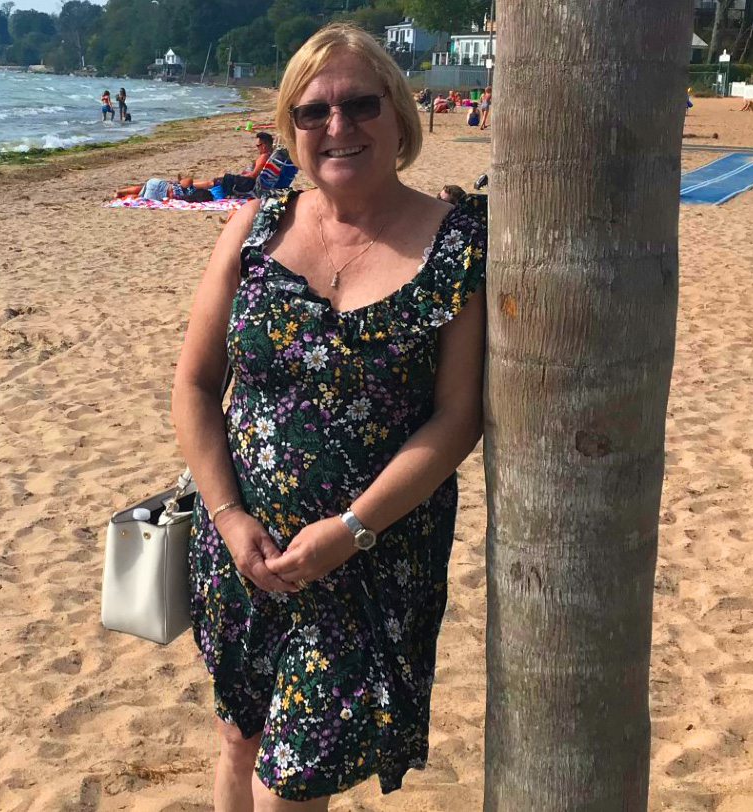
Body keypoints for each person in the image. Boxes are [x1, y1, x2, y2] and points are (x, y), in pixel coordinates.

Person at [171, 22, 486, 811]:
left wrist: (350, 529)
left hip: (370, 562)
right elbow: (195, 384)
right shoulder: (254, 229)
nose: (338, 126)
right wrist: (230, 515)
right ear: (292, 128)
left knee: (290, 788)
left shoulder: (457, 246)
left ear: (400, 116)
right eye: (313, 113)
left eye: (360, 104)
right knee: (239, 741)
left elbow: (456, 419)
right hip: (245, 554)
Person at [111, 132, 275, 200]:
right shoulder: (266, 156)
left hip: (160, 186)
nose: (257, 148)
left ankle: (122, 193)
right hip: (162, 189)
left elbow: (253, 175)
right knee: (141, 194)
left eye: (258, 145)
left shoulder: (263, 156)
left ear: (265, 145)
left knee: (213, 182)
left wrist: (239, 176)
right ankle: (123, 195)